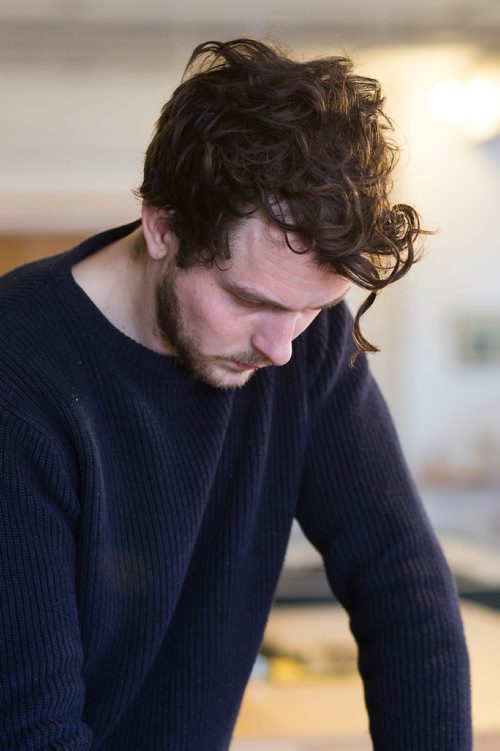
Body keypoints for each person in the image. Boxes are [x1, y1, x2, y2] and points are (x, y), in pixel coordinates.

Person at [0, 38, 471, 750]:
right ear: (163, 226)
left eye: (310, 309)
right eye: (249, 300)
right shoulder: (20, 379)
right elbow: (33, 730)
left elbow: (400, 584)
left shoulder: (303, 342)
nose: (280, 346)